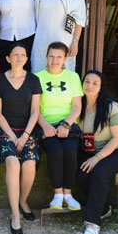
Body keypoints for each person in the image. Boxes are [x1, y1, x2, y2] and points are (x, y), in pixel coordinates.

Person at [0, 43, 41, 234]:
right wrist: (13, 137)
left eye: (22, 55)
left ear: (27, 59)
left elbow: (35, 111)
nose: (19, 58)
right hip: (6, 130)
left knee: (29, 164)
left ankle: (23, 200)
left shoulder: (33, 80)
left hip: (27, 131)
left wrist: (25, 136)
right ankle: (15, 215)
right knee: (13, 163)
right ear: (8, 58)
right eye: (15, 54)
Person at [76, 70, 118, 234]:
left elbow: (117, 138)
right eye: (87, 81)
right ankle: (104, 209)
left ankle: (92, 223)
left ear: (101, 87)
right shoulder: (77, 105)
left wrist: (97, 158)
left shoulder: (111, 107)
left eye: (95, 83)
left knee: (99, 173)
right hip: (88, 151)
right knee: (82, 175)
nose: (89, 86)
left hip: (114, 152)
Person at [35, 42, 83, 211]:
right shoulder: (37, 77)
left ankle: (68, 194)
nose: (54, 60)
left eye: (59, 57)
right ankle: (57, 195)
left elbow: (77, 106)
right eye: (51, 56)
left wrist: (66, 124)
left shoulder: (73, 77)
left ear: (65, 59)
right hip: (46, 125)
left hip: (68, 125)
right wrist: (45, 126)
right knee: (55, 150)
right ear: (46, 57)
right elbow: (34, 109)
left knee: (69, 150)